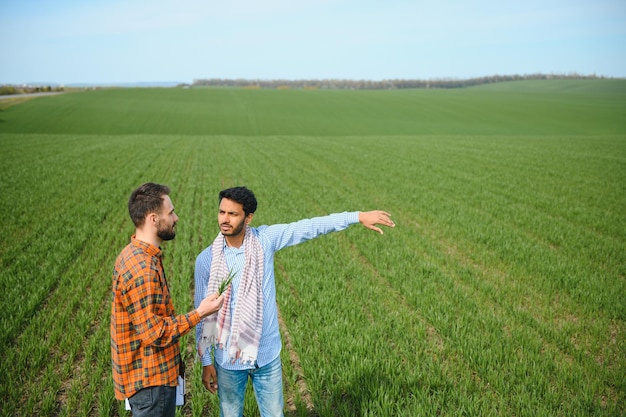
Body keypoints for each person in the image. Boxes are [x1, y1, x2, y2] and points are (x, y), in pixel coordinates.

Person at [194, 186, 395, 417]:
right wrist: (206, 361)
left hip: (266, 356)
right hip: (227, 360)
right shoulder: (207, 260)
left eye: (233, 214)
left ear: (248, 218)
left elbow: (309, 227)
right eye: (222, 212)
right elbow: (203, 315)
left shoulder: (264, 241)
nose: (225, 220)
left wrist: (357, 216)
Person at [111, 182, 224, 417]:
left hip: (149, 379)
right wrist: (200, 313)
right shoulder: (142, 269)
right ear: (153, 219)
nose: (176, 218)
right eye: (170, 212)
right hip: (151, 381)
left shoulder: (134, 254)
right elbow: (154, 333)